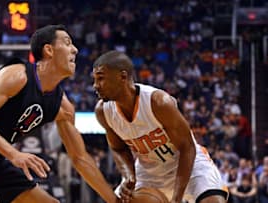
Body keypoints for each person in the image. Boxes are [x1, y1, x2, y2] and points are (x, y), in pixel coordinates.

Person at [0, 25, 118, 203]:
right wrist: (14, 154)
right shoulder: (18, 76)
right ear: (49, 50)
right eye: (68, 43)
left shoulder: (64, 108)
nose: (75, 50)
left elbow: (80, 158)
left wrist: (114, 200)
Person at [92, 50, 228, 203]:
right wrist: (129, 176)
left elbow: (187, 147)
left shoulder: (158, 102)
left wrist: (176, 199)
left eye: (100, 79)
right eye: (95, 80)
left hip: (188, 165)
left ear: (122, 76)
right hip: (149, 172)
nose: (95, 86)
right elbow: (118, 148)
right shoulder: (103, 111)